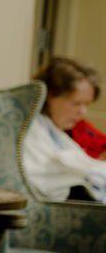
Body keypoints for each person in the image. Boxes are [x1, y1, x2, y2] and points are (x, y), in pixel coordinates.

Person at [24, 56, 106, 202]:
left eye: (87, 104)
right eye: (77, 103)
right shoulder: (30, 129)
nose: (82, 112)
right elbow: (42, 179)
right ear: (51, 96)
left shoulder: (57, 132)